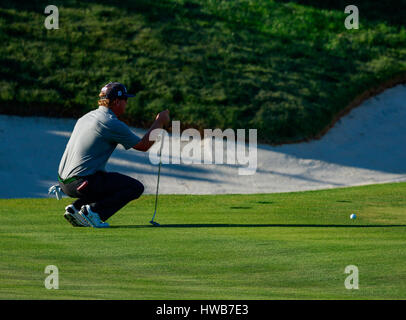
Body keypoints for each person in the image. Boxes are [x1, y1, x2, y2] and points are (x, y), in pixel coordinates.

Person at [57, 82, 170, 228]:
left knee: (106, 180)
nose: (126, 104)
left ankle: (76, 208)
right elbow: (143, 146)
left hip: (65, 182)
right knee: (134, 187)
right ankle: (94, 213)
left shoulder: (86, 117)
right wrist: (159, 122)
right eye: (125, 100)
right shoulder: (110, 122)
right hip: (82, 183)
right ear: (117, 101)